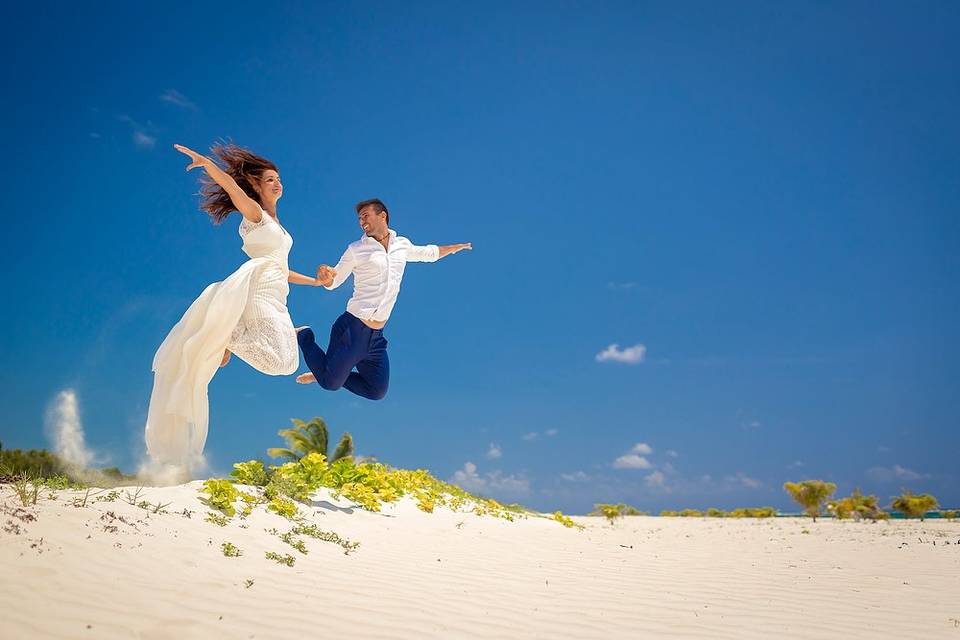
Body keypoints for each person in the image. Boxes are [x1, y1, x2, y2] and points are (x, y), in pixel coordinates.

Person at [145, 143, 323, 469]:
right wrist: (208, 165)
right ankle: (228, 336)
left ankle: (231, 335)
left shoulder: (277, 225)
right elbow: (229, 186)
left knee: (287, 361)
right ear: (255, 186)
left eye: (279, 179)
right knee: (279, 364)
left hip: (277, 293)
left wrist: (315, 282)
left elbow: (281, 266)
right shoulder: (255, 214)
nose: (277, 183)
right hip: (258, 293)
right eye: (270, 180)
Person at [295, 198, 471, 400]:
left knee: (376, 391)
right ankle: (304, 335)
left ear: (382, 215)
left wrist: (455, 247)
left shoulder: (402, 245)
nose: (362, 221)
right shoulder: (356, 249)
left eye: (366, 215)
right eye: (359, 218)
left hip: (376, 336)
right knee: (330, 383)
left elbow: (429, 253)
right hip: (352, 329)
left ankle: (325, 371)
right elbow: (335, 280)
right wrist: (327, 277)